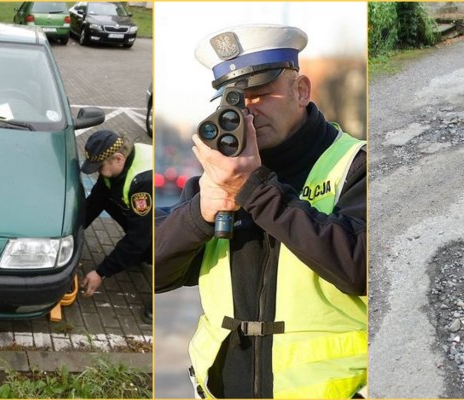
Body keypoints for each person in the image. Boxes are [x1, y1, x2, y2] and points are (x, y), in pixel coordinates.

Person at [155, 24, 366, 398]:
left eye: (260, 95)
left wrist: (255, 189)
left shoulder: (356, 165)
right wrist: (199, 214)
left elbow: (359, 270)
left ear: (300, 91)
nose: (247, 114)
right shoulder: (217, 177)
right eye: (234, 101)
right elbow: (157, 273)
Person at [79, 129, 153, 325]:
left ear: (118, 158)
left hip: (172, 225)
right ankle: (141, 254)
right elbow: (95, 202)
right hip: (149, 221)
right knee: (109, 198)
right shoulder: (117, 167)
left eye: (100, 167)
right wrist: (72, 233)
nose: (97, 172)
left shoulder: (144, 181)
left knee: (149, 241)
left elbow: (138, 237)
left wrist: (101, 272)